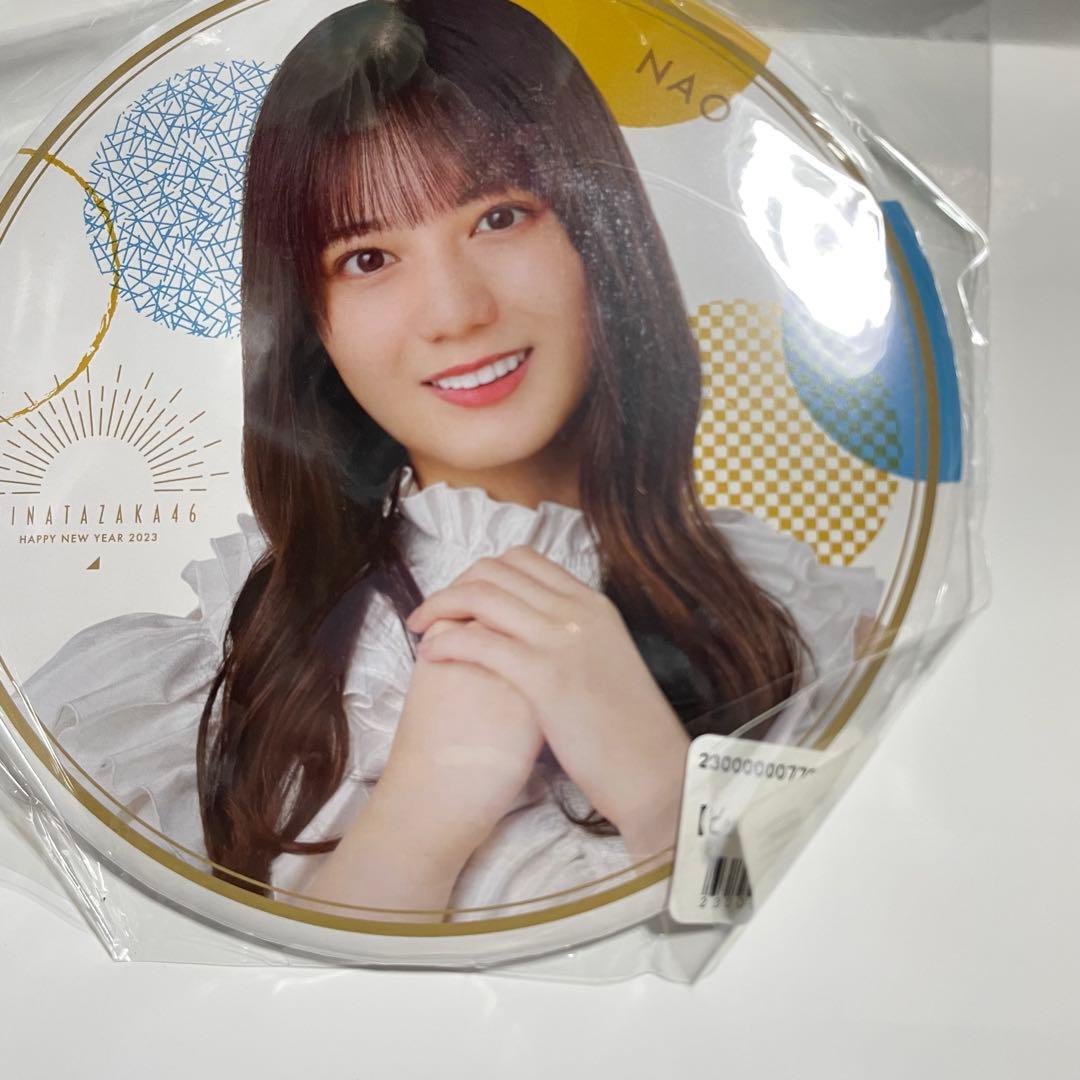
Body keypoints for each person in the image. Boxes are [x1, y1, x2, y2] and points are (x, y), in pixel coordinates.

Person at [24, 0, 882, 920]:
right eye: (367, 258)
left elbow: (854, 959)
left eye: (500, 217)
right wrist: (423, 813)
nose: (455, 312)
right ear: (309, 323)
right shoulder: (196, 689)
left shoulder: (806, 623)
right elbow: (183, 1000)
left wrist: (657, 782)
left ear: (599, 238)